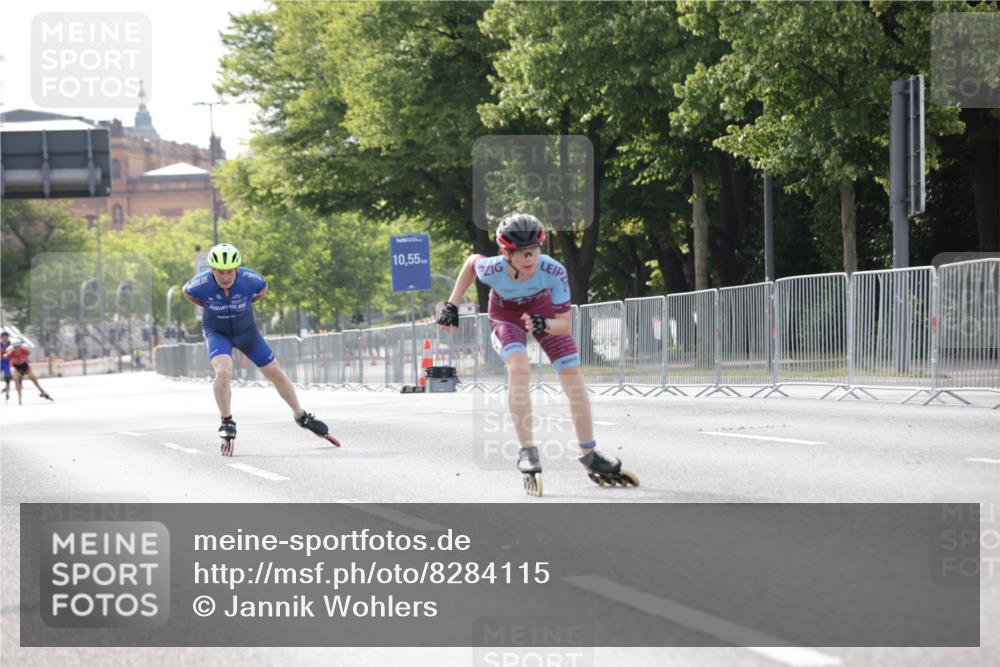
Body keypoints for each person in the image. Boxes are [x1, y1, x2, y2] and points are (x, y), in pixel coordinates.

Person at [437, 213, 638, 496]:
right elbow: (471, 263)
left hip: (545, 314)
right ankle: (527, 451)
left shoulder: (553, 271)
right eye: (522, 254)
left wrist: (544, 324)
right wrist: (451, 305)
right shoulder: (492, 269)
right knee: (519, 369)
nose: (530, 259)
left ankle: (590, 453)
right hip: (505, 317)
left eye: (534, 251)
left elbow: (564, 323)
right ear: (506, 253)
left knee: (574, 380)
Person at [182, 243, 339, 453]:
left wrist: (248, 301)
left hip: (247, 333)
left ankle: (301, 415)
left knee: (276, 373)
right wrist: (206, 305)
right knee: (223, 372)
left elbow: (263, 289)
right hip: (217, 333)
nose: (226, 277)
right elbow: (186, 292)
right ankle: (226, 420)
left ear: (237, 269)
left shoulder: (250, 279)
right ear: (212, 270)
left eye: (230, 272)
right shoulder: (200, 284)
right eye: (220, 272)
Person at [3, 337, 53, 405]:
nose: (17, 349)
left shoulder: (24, 350)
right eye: (15, 347)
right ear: (13, 347)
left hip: (24, 365)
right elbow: (5, 356)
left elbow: (28, 353)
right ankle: (19, 397)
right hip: (15, 366)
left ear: (20, 346)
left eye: (18, 347)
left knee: (33, 378)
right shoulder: (10, 352)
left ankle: (41, 390)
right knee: (16, 379)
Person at [1, 331, 12, 402]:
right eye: (3, 337)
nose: (5, 339)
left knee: (7, 378)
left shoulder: (10, 344)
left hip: (7, 362)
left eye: (6, 337)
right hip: (0, 361)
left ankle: (7, 393)